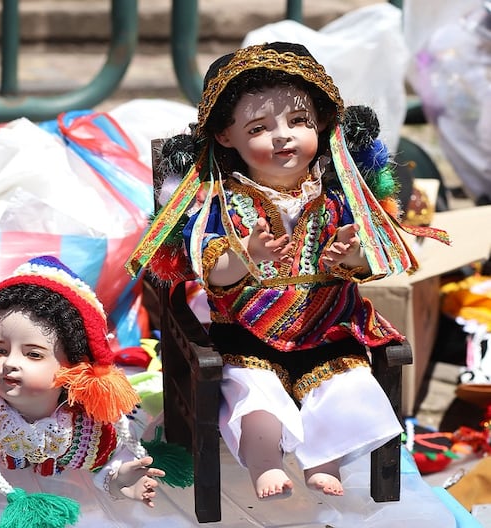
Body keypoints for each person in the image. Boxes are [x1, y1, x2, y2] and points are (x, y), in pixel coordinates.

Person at [126, 42, 450, 500]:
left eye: (298, 121)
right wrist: (246, 254)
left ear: (319, 124)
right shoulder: (224, 202)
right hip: (246, 333)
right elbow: (210, 273)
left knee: (347, 386)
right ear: (225, 137)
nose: (283, 136)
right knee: (255, 396)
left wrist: (350, 255)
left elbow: (370, 261)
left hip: (328, 330)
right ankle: (264, 463)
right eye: (259, 127)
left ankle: (324, 461)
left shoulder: (339, 198)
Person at [0, 255, 165, 527]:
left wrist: (119, 481)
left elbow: (116, 458)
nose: (9, 363)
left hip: (78, 508)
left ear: (74, 364)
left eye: (33, 354)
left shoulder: (92, 422)